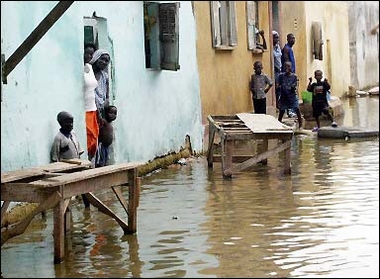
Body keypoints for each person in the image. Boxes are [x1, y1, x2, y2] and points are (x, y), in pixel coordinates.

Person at [83, 44, 99, 166]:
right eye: (87, 53)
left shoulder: (89, 67)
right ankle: (87, 164)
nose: (89, 56)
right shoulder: (80, 69)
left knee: (94, 137)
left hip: (93, 108)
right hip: (85, 109)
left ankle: (91, 164)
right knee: (89, 138)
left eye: (91, 54)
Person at [276, 61, 303, 129]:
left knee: (297, 109)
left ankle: (300, 125)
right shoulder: (281, 76)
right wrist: (279, 87)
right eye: (286, 66)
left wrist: (293, 87)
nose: (287, 68)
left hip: (292, 96)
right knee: (282, 111)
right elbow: (277, 85)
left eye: (289, 66)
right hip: (284, 96)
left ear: (291, 67)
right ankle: (278, 124)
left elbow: (295, 85)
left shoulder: (294, 76)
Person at [89, 49, 111, 122]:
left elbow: (107, 97)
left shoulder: (105, 77)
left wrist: (105, 103)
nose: (104, 62)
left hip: (101, 111)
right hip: (90, 110)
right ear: (96, 58)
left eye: (107, 61)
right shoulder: (87, 73)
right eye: (102, 59)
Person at [281, 33, 297, 118]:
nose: (293, 40)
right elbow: (287, 63)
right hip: (288, 76)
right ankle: (289, 111)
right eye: (291, 39)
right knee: (288, 93)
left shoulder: (290, 48)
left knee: (291, 92)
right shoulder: (286, 49)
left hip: (292, 75)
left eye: (294, 38)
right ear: (288, 39)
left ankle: (291, 110)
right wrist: (289, 73)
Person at [272, 30, 282, 109]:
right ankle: (276, 104)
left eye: (278, 38)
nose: (277, 39)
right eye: (275, 38)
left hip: (279, 69)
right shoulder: (271, 47)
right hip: (275, 70)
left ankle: (279, 103)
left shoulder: (277, 46)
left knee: (279, 88)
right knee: (276, 87)